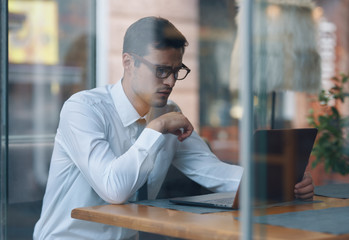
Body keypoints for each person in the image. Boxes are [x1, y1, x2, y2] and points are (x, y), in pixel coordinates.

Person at [33, 16, 314, 240]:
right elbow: (113, 188)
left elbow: (210, 170)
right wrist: (156, 128)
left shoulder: (168, 113)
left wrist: (282, 180)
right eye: (161, 70)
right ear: (128, 63)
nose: (170, 81)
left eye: (177, 70)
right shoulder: (83, 109)